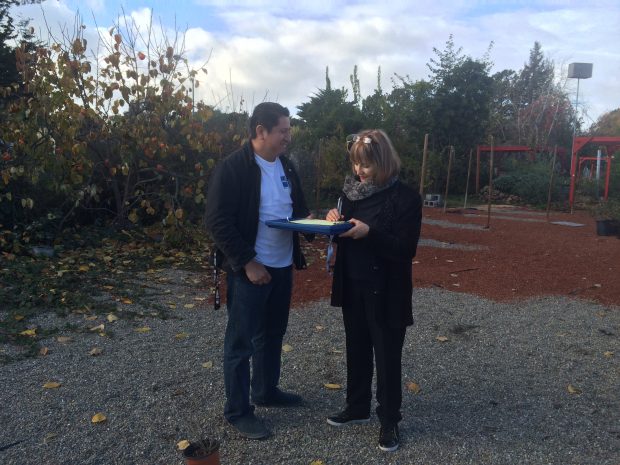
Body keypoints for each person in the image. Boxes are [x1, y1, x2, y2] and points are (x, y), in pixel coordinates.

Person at [205, 102, 312, 439]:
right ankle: (238, 411)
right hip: (250, 270)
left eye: (288, 131)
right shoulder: (234, 168)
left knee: (272, 334)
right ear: (260, 131)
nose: (287, 137)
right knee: (241, 343)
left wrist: (324, 225)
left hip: (282, 267)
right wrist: (248, 262)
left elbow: (300, 213)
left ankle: (266, 391)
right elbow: (217, 222)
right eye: (283, 130)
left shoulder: (286, 167)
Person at [325, 129, 422, 452]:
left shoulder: (406, 198)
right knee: (356, 346)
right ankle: (357, 407)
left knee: (387, 354)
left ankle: (389, 419)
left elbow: (405, 249)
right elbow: (343, 235)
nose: (359, 172)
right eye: (355, 164)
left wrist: (369, 234)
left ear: (382, 162)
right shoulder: (350, 195)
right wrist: (333, 222)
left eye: (365, 165)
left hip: (387, 289)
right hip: (353, 282)